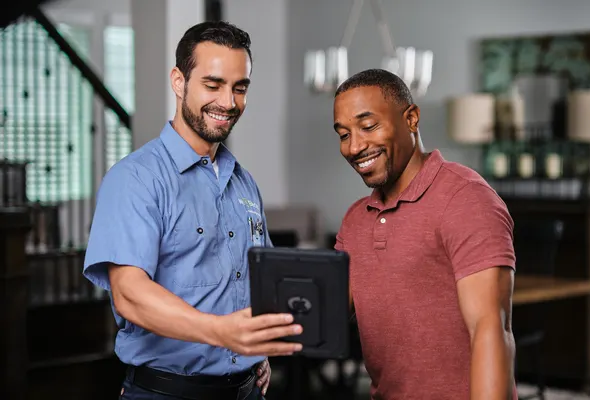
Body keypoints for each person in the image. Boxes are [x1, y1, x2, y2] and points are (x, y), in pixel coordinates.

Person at [83, 21, 303, 400]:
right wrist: (221, 332)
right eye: (213, 85)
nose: (228, 102)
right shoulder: (136, 178)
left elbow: (260, 279)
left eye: (240, 88)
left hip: (248, 390)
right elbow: (130, 293)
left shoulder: (244, 183)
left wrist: (256, 348)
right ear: (179, 82)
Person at [332, 69, 518, 400]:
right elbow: (322, 316)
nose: (355, 146)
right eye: (344, 134)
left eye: (368, 126)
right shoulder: (355, 219)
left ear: (412, 119)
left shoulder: (466, 199)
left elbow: (491, 331)